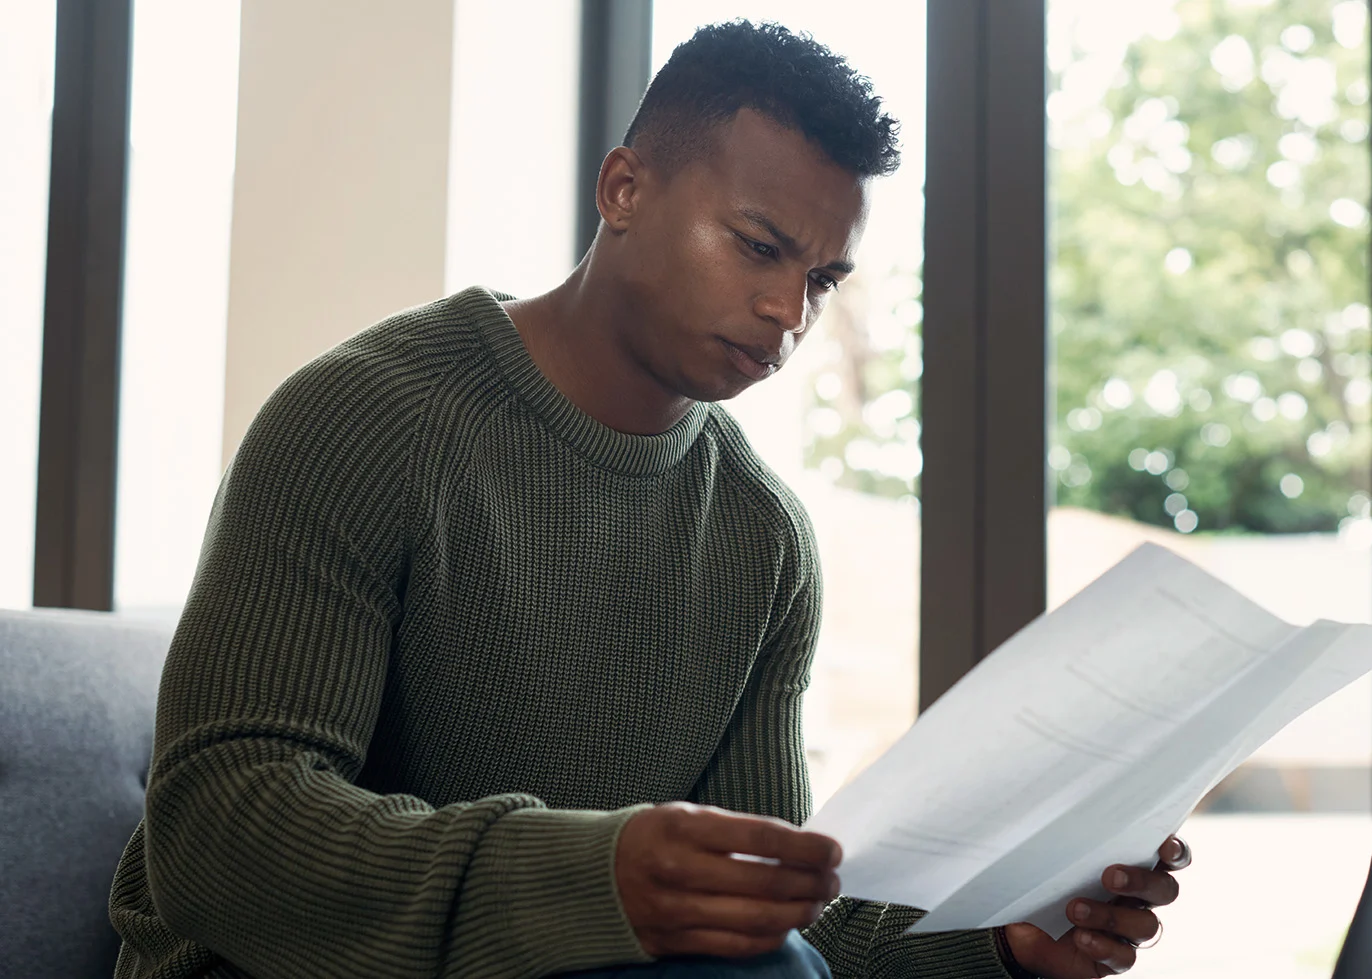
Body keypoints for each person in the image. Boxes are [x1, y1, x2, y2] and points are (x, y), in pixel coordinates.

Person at [108, 20, 1189, 979]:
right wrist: (591, 878)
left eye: (821, 280)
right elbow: (219, 831)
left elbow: (770, 918)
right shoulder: (364, 420)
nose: (785, 310)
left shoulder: (762, 538)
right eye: (760, 247)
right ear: (623, 189)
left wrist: (997, 944)